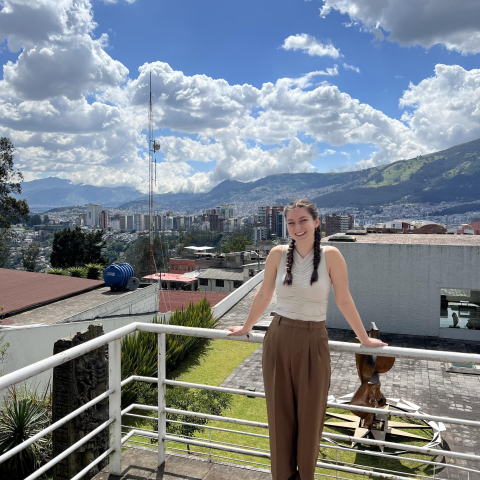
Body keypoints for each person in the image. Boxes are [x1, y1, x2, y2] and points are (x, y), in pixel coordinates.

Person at [227, 199, 387, 480]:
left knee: (312, 416)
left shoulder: (331, 255)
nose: (297, 227)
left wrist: (363, 338)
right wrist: (246, 326)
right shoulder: (276, 254)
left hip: (314, 340)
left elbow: (344, 299)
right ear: (285, 226)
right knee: (279, 415)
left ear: (316, 222)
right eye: (291, 222)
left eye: (303, 220)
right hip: (278, 336)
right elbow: (264, 294)